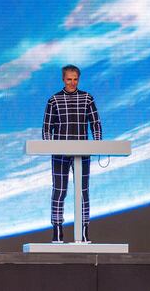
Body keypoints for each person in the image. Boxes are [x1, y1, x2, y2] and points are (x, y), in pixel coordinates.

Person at [42, 65, 102, 244]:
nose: (72, 82)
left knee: (83, 191)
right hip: (60, 154)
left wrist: (98, 143)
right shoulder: (54, 100)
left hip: (82, 153)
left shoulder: (87, 98)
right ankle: (57, 230)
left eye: (75, 79)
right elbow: (46, 127)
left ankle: (84, 231)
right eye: (69, 79)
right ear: (63, 79)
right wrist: (48, 146)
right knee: (59, 191)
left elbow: (96, 123)